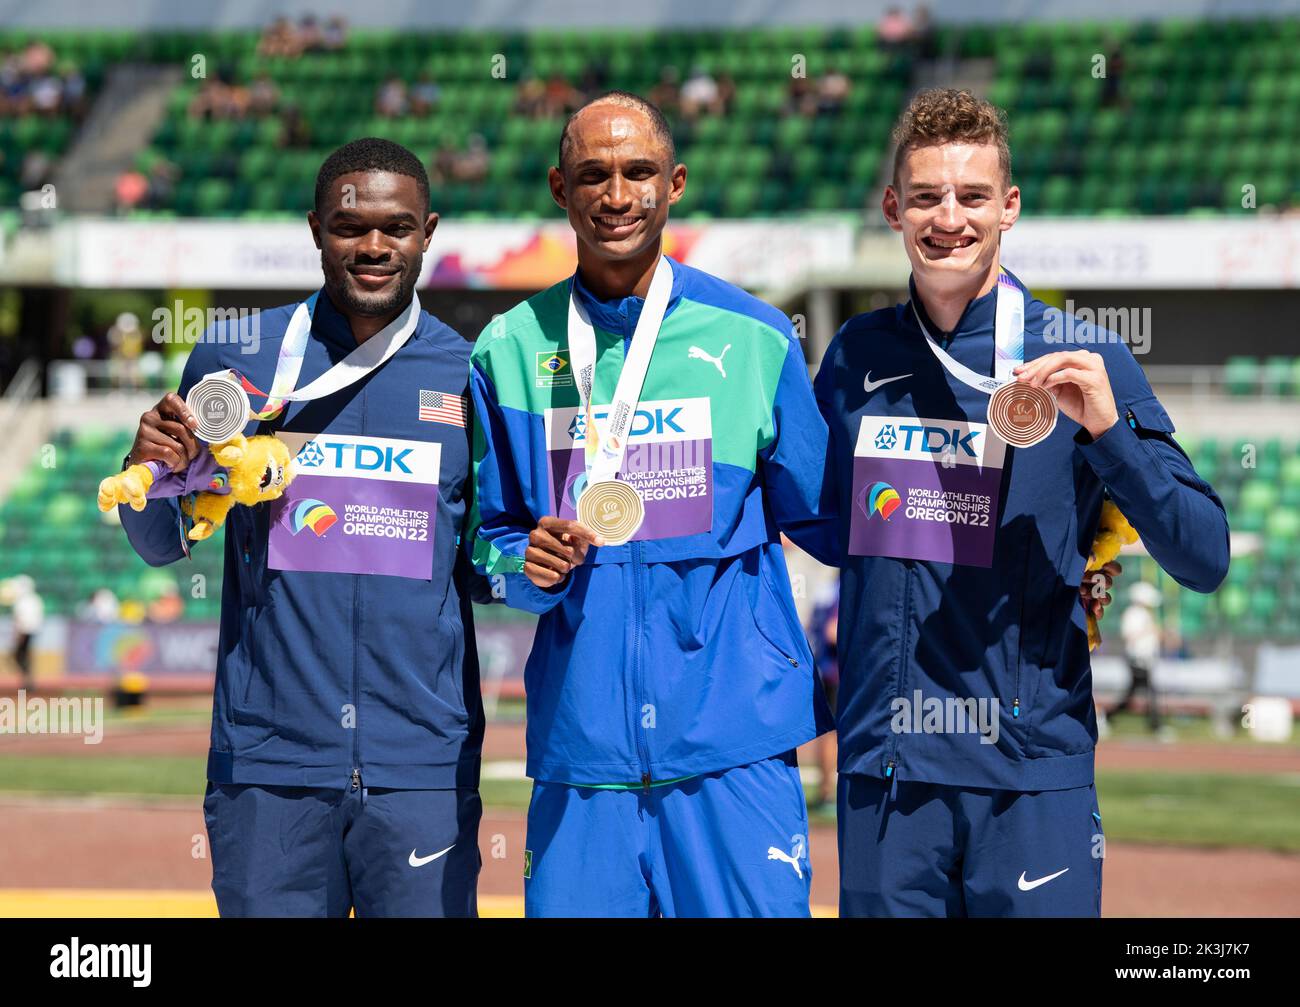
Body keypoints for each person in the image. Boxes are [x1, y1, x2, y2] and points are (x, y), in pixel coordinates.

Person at [812, 89, 1229, 917]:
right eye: (926, 196)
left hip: (1030, 776)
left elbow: (1204, 553)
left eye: (972, 196)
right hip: (888, 777)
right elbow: (820, 523)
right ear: (895, 208)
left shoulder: (1087, 359)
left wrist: (1111, 437)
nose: (949, 218)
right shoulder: (857, 357)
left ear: (1010, 208)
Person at [467, 91, 833, 917]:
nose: (617, 194)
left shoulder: (756, 338)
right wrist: (524, 565)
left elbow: (835, 519)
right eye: (594, 174)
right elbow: (483, 544)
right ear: (561, 189)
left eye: (639, 172)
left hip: (732, 749)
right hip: (582, 755)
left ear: (675, 183)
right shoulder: (510, 348)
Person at [114, 137, 484, 917]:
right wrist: (145, 470)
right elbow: (160, 542)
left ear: (429, 233)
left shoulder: (468, 374)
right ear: (316, 229)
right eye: (352, 227)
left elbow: (482, 565)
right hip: (269, 769)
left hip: (421, 769)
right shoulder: (239, 358)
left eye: (399, 227)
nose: (375, 246)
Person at [1115, 581, 1165, 734]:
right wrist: (1148, 630)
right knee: (1150, 692)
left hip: (1146, 658)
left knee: (1131, 694)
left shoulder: (1145, 614)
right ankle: (1155, 726)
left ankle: (1107, 716)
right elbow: (1129, 636)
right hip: (1137, 659)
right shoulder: (1133, 614)